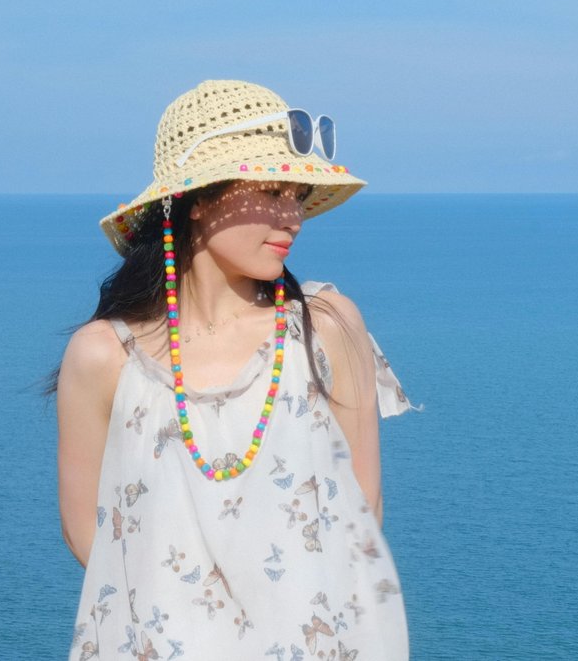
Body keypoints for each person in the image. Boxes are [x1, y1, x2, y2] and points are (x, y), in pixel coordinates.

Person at [49, 79, 418, 660]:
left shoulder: (326, 327)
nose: (292, 216)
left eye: (295, 196)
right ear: (197, 200)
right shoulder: (103, 355)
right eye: (271, 193)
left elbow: (361, 510)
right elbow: (88, 533)